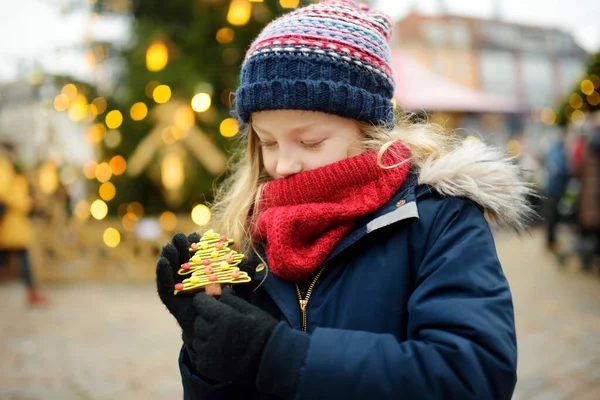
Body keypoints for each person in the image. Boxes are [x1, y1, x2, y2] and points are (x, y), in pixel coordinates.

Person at [156, 1, 533, 398]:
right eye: (267, 142)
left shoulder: (438, 220)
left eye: (310, 141)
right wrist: (207, 352)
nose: (283, 164)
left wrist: (279, 355)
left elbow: (472, 376)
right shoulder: (250, 237)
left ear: (369, 129)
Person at [0, 142, 48, 305]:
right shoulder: (4, 167)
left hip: (13, 224)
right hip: (10, 222)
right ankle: (32, 292)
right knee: (23, 257)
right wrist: (27, 202)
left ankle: (32, 292)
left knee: (21, 257)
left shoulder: (11, 169)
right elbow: (4, 193)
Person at [542, 129, 571, 252]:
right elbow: (559, 169)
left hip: (552, 187)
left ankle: (551, 241)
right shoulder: (558, 150)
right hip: (555, 188)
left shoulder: (555, 149)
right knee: (552, 217)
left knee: (552, 216)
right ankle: (550, 242)